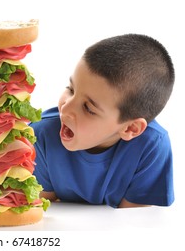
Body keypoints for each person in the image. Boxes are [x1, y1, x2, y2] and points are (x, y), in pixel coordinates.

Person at [31, 34, 175, 208]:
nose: (65, 110)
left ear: (131, 128)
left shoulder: (151, 146)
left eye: (88, 108)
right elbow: (43, 212)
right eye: (71, 89)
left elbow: (135, 222)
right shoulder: (40, 136)